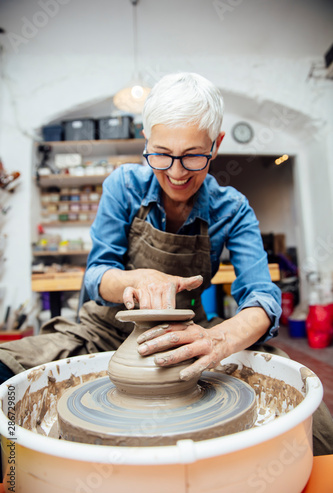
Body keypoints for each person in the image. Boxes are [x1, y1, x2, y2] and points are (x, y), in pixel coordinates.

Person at [0, 72, 331, 454]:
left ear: (216, 144)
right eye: (161, 154)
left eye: (193, 155)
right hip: (104, 332)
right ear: (147, 140)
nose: (176, 172)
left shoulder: (233, 208)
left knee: (309, 412)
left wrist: (218, 339)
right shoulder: (122, 186)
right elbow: (95, 274)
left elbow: (261, 294)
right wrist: (134, 281)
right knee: (8, 370)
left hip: (190, 333)